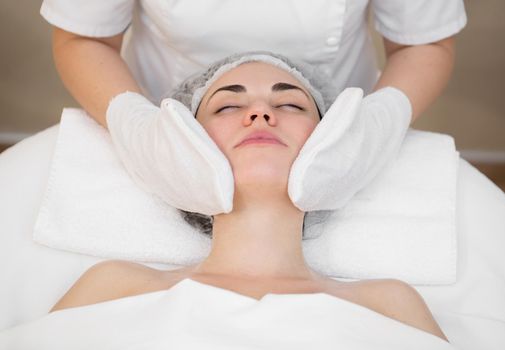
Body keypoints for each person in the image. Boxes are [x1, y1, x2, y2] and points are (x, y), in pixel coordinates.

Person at [49, 56, 450, 345]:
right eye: (227, 105)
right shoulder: (114, 285)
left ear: (333, 142)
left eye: (290, 104)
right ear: (185, 145)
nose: (259, 112)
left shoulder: (389, 302)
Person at [42, 0, 467, 129]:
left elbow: (422, 43)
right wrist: (139, 129)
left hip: (338, 122)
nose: (259, 118)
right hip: (162, 113)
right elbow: (85, 37)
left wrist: (373, 129)